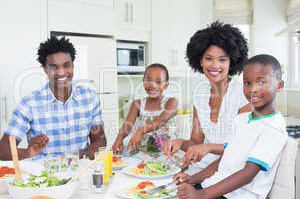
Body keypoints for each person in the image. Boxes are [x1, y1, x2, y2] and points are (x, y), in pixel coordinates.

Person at [176, 54, 287, 199]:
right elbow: (223, 160)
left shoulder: (274, 127)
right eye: (247, 83)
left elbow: (247, 174)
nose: (253, 89)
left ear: (279, 86)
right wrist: (194, 179)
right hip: (214, 187)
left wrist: (201, 195)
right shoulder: (241, 120)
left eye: (261, 82)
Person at [0, 37, 106, 160]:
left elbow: (100, 140)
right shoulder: (29, 103)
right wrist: (28, 152)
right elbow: (3, 149)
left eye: (66, 65)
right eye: (54, 67)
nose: (61, 72)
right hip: (44, 175)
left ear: (73, 65)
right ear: (45, 69)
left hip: (80, 172)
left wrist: (77, 157)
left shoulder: (89, 97)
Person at [164, 21, 251, 166]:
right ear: (200, 61)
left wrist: (208, 147)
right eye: (208, 58)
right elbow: (196, 142)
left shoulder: (242, 93)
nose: (215, 65)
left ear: (232, 62)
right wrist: (179, 142)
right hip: (206, 168)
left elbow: (244, 147)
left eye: (222, 59)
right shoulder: (200, 95)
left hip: (235, 171)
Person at [112, 63, 177, 154]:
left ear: (166, 85)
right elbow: (127, 126)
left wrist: (141, 130)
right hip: (141, 153)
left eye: (158, 82)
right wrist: (119, 138)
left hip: (166, 153)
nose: (153, 85)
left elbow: (160, 121)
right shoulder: (137, 104)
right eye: (149, 80)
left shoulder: (171, 102)